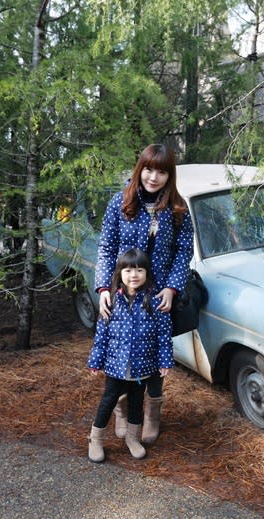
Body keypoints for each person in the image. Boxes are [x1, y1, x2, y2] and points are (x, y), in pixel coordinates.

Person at [94, 144, 194, 444]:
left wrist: (171, 288)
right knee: (122, 350)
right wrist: (103, 289)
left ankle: (151, 413)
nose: (154, 177)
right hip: (123, 292)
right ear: (140, 169)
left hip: (158, 296)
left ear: (169, 175)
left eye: (162, 172)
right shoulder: (120, 202)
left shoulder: (178, 207)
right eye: (149, 169)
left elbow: (183, 251)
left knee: (153, 354)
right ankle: (122, 410)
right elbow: (106, 247)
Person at [86, 249, 173, 462]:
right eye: (128, 270)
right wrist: (95, 361)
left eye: (139, 270)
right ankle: (96, 439)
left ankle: (132, 438)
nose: (134, 275)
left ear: (146, 273)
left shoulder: (154, 302)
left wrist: (164, 361)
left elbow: (163, 337)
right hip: (116, 366)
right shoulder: (112, 302)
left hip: (142, 365)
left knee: (136, 402)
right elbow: (102, 336)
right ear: (120, 273)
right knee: (109, 400)